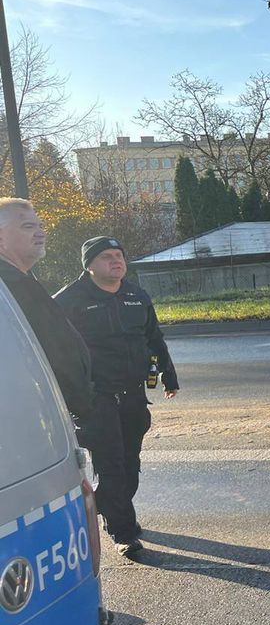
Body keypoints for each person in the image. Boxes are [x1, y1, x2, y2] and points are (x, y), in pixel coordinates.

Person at [54, 236, 179, 556]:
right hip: (97, 399)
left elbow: (154, 336)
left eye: (120, 255)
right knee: (111, 466)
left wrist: (168, 373)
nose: (116, 261)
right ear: (90, 265)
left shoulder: (137, 294)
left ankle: (107, 507)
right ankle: (122, 530)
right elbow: (52, 348)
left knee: (130, 463)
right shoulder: (69, 300)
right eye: (107, 256)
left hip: (134, 395)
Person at [0, 198, 94, 422]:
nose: (41, 233)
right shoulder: (8, 288)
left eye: (40, 225)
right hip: (27, 421)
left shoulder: (21, 282)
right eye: (28, 226)